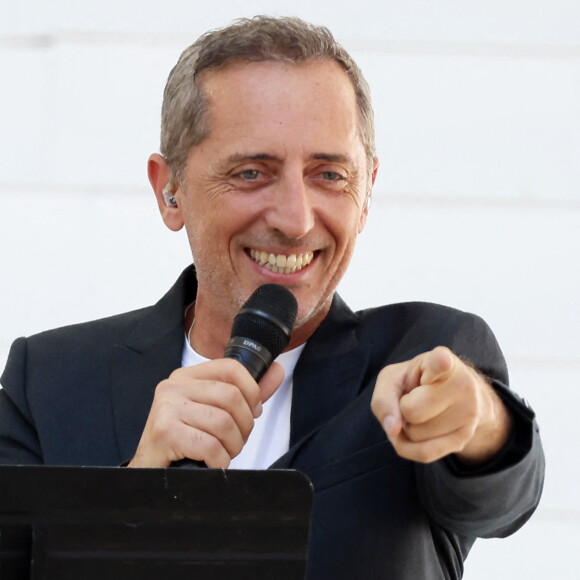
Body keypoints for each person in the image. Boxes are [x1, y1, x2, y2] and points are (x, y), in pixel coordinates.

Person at [0, 15, 544, 579]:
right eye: (253, 173)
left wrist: (480, 420)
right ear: (170, 191)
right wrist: (136, 490)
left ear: (367, 193)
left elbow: (501, 497)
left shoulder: (424, 353)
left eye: (329, 175)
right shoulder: (49, 382)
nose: (295, 218)